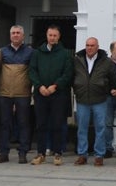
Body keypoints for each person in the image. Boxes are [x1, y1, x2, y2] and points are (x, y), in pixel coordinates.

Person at [28, 24, 73, 166]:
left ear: (59, 37)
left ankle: (58, 153)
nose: (52, 38)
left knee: (57, 124)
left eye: (55, 35)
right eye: (50, 35)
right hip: (41, 94)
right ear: (47, 36)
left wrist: (55, 86)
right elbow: (32, 71)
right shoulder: (37, 53)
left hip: (58, 94)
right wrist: (39, 86)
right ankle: (40, 153)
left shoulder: (65, 53)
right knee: (41, 124)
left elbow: (68, 73)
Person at [0, 25, 34, 164]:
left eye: (18, 33)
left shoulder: (30, 52)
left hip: (23, 94)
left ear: (23, 36)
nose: (15, 35)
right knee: (4, 124)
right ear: (10, 35)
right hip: (4, 94)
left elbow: (33, 71)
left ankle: (23, 153)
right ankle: (3, 153)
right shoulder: (2, 52)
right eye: (13, 33)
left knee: (23, 124)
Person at [72, 37, 114, 167]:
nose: (89, 48)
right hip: (82, 99)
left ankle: (99, 155)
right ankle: (82, 155)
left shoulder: (106, 61)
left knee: (100, 128)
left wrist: (105, 87)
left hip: (100, 99)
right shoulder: (77, 60)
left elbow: (112, 78)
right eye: (87, 45)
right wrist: (77, 87)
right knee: (81, 128)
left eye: (92, 45)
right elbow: (72, 75)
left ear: (97, 47)